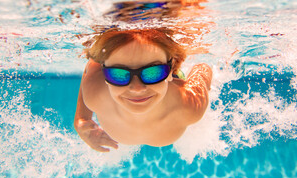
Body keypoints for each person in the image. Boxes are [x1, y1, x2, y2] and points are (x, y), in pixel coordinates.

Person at [74, 28, 212, 152]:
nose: (137, 89)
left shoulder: (189, 105)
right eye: (119, 74)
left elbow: (203, 68)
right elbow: (92, 64)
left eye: (153, 72)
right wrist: (81, 119)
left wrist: (82, 117)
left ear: (170, 70)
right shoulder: (96, 92)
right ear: (105, 75)